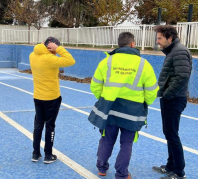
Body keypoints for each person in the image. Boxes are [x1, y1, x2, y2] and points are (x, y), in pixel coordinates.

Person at [88, 32, 159, 179]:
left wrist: (104, 99)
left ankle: (102, 168)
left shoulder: (107, 62)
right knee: (126, 144)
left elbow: (95, 85)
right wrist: (144, 103)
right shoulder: (143, 64)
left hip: (110, 109)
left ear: (119, 44)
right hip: (133, 111)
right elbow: (152, 91)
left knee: (106, 139)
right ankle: (122, 174)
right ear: (133, 44)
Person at [152, 25, 192, 179]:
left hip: (174, 99)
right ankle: (170, 166)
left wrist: (168, 94)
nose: (158, 42)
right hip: (170, 98)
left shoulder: (179, 51)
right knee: (169, 133)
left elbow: (182, 77)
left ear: (170, 38)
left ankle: (179, 172)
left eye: (160, 38)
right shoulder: (173, 51)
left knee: (172, 135)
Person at [29, 36, 75, 164]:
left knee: (38, 125)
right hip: (52, 97)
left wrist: (43, 45)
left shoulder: (32, 55)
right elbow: (71, 60)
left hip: (38, 96)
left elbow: (39, 49)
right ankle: (48, 155)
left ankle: (35, 153)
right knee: (50, 126)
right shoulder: (51, 59)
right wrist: (59, 49)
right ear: (51, 48)